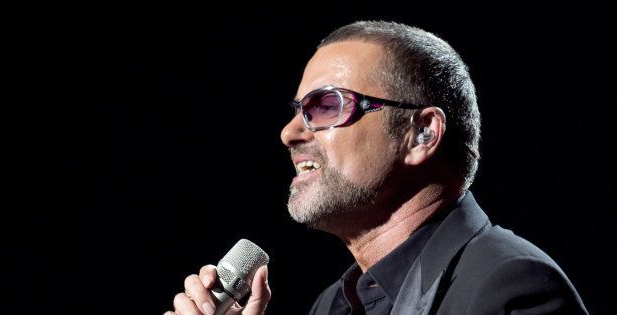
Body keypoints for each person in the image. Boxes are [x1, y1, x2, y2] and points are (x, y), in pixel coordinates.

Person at [165, 21, 588, 315]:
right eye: (298, 110)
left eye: (326, 105)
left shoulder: (510, 287)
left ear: (421, 134)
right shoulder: (331, 305)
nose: (289, 133)